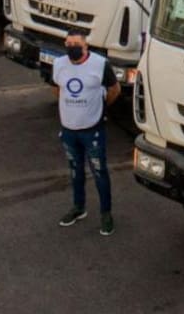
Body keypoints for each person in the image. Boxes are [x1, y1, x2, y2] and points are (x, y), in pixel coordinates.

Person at [51, 32, 120, 236]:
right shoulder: (59, 64)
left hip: (92, 130)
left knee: (99, 172)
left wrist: (101, 108)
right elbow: (57, 89)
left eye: (77, 44)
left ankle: (106, 214)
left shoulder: (100, 64)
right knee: (75, 171)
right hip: (69, 130)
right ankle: (78, 207)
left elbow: (114, 89)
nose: (72, 47)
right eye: (69, 43)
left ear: (86, 46)